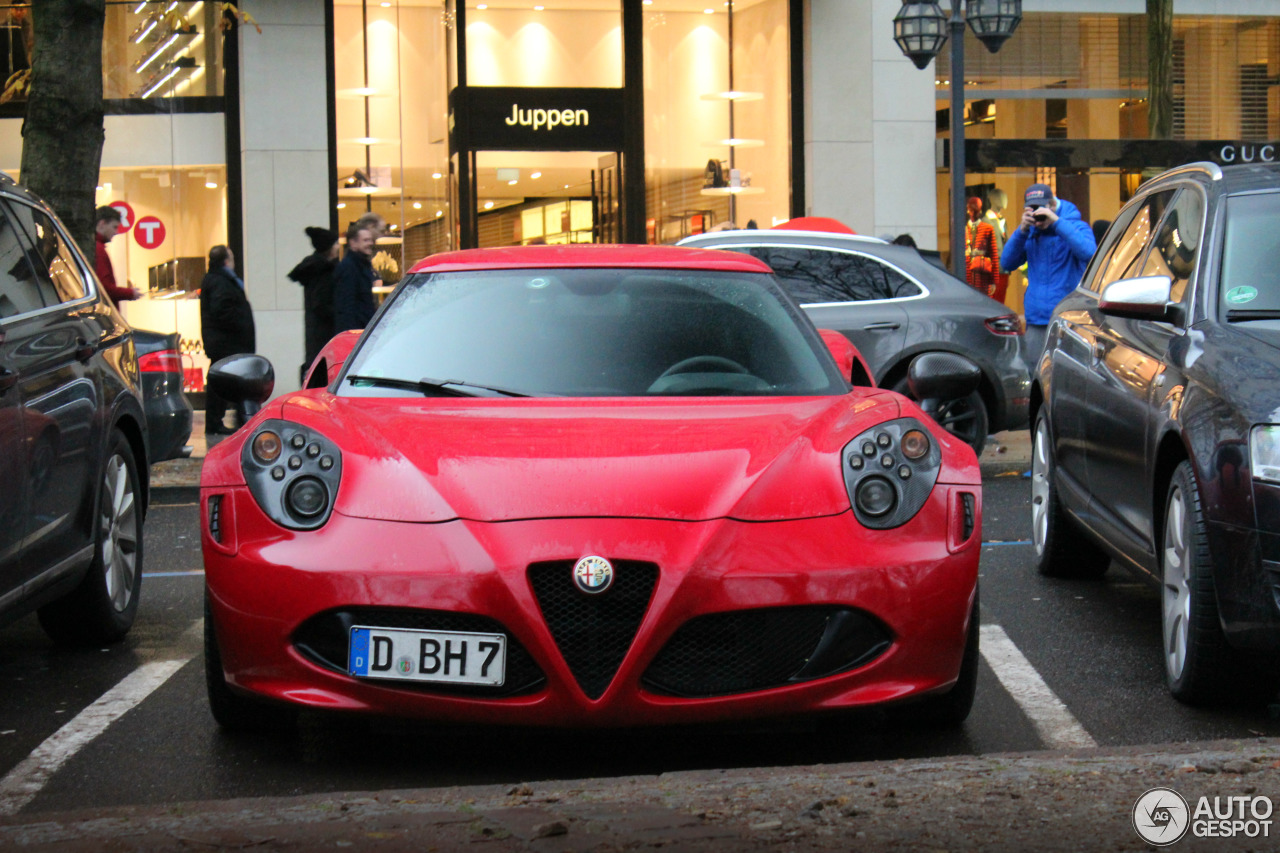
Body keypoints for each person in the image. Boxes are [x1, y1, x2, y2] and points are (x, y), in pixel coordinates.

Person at [1000, 183, 1096, 372]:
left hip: (1067, 320)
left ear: (1052, 204)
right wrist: (1022, 231)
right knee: (1035, 375)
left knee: (1067, 375)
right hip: (1037, 321)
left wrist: (1057, 223)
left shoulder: (1074, 225)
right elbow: (1007, 262)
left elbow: (1089, 253)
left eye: (1041, 208)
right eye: (1033, 209)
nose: (1038, 214)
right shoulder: (1029, 232)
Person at [200, 245, 255, 435]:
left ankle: (234, 420)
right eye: (231, 258)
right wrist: (241, 324)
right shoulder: (220, 281)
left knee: (228, 382)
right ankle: (219, 422)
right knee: (224, 383)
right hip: (226, 343)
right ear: (226, 261)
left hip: (225, 342)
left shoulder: (218, 279)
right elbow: (221, 310)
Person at [288, 226, 339, 381]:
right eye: (335, 243)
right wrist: (338, 313)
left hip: (316, 333)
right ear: (328, 248)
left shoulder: (315, 269)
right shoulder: (323, 272)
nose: (338, 246)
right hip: (324, 333)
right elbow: (321, 305)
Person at [333, 223, 377, 333]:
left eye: (370, 240)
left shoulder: (360, 265)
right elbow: (347, 304)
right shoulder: (350, 267)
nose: (370, 243)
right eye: (365, 240)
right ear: (353, 243)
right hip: (356, 329)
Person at [93, 206, 140, 303]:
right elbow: (105, 288)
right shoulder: (99, 250)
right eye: (114, 227)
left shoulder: (96, 247)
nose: (116, 232)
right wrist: (130, 293)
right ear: (102, 224)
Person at [964, 196, 1001, 299]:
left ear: (980, 210)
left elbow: (994, 255)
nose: (973, 212)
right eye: (971, 209)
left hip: (983, 277)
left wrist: (994, 281)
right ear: (968, 210)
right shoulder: (963, 230)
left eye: (976, 209)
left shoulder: (987, 229)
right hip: (967, 278)